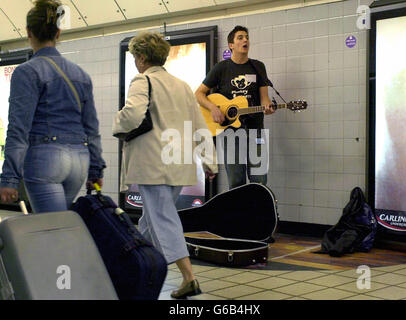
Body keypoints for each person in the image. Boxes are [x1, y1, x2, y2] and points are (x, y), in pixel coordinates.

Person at [113, 31, 217, 299]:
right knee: (149, 220)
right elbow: (199, 124)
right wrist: (209, 159)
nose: (135, 61)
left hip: (153, 163)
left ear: (143, 57)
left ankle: (188, 277)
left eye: (136, 55)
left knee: (163, 218)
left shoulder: (142, 80)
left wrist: (117, 122)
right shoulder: (182, 85)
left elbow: (132, 114)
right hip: (178, 163)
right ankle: (140, 268)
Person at [0, 0, 105, 212]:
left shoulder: (27, 71)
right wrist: (96, 170)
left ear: (29, 32)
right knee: (60, 222)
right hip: (79, 161)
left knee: (53, 228)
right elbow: (92, 129)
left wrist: (9, 178)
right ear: (58, 33)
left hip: (46, 159)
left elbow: (19, 128)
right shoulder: (81, 75)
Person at [195, 25, 275, 190]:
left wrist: (268, 107)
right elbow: (199, 94)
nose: (245, 40)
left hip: (256, 131)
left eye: (246, 37)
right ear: (231, 44)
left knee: (259, 182)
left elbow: (264, 99)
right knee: (236, 182)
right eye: (240, 37)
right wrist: (213, 108)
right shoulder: (221, 68)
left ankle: (257, 216)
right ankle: (239, 215)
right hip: (230, 133)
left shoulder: (258, 67)